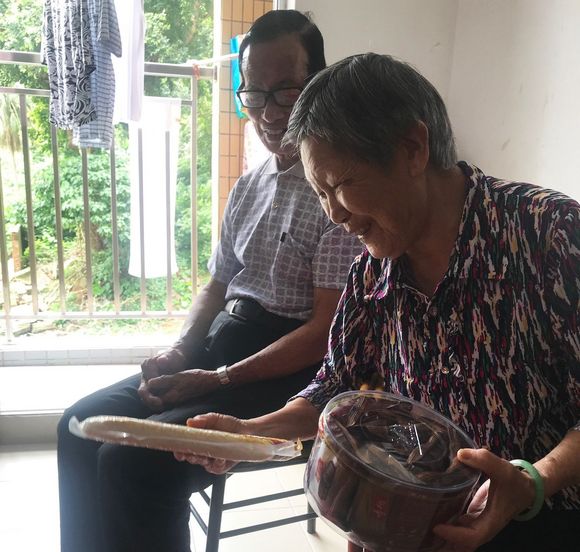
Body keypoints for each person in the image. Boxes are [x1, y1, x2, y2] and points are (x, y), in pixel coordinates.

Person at [176, 53, 580, 552]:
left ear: (412, 148)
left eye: (341, 184)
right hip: (424, 520)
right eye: (320, 193)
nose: (335, 215)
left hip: (547, 519)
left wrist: (532, 482)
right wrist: (250, 433)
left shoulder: (548, 234)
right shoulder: (372, 273)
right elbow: (336, 385)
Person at [56, 11, 361, 552]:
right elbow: (217, 287)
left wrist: (217, 380)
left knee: (134, 463)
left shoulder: (338, 190)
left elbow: (324, 331)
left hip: (287, 369)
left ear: (317, 84)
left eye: (286, 91)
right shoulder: (249, 184)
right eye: (255, 94)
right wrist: (181, 352)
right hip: (222, 346)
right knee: (78, 424)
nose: (269, 112)